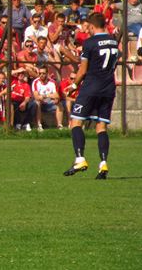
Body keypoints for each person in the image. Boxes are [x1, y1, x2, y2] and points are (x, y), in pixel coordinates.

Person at [64, 13, 118, 179]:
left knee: (76, 122)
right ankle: (103, 163)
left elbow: (83, 69)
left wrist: (73, 86)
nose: (87, 30)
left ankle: (80, 158)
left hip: (91, 88)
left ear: (93, 26)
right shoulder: (114, 41)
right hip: (108, 88)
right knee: (101, 127)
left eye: (88, 27)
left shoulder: (89, 43)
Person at [32, 65, 64, 131]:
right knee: (38, 103)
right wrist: (49, 95)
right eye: (40, 73)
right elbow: (36, 97)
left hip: (50, 102)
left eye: (43, 73)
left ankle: (59, 125)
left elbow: (57, 96)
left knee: (59, 103)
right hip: (40, 102)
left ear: (47, 74)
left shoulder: (52, 82)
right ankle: (39, 125)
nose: (41, 75)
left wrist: (45, 96)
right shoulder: (35, 82)